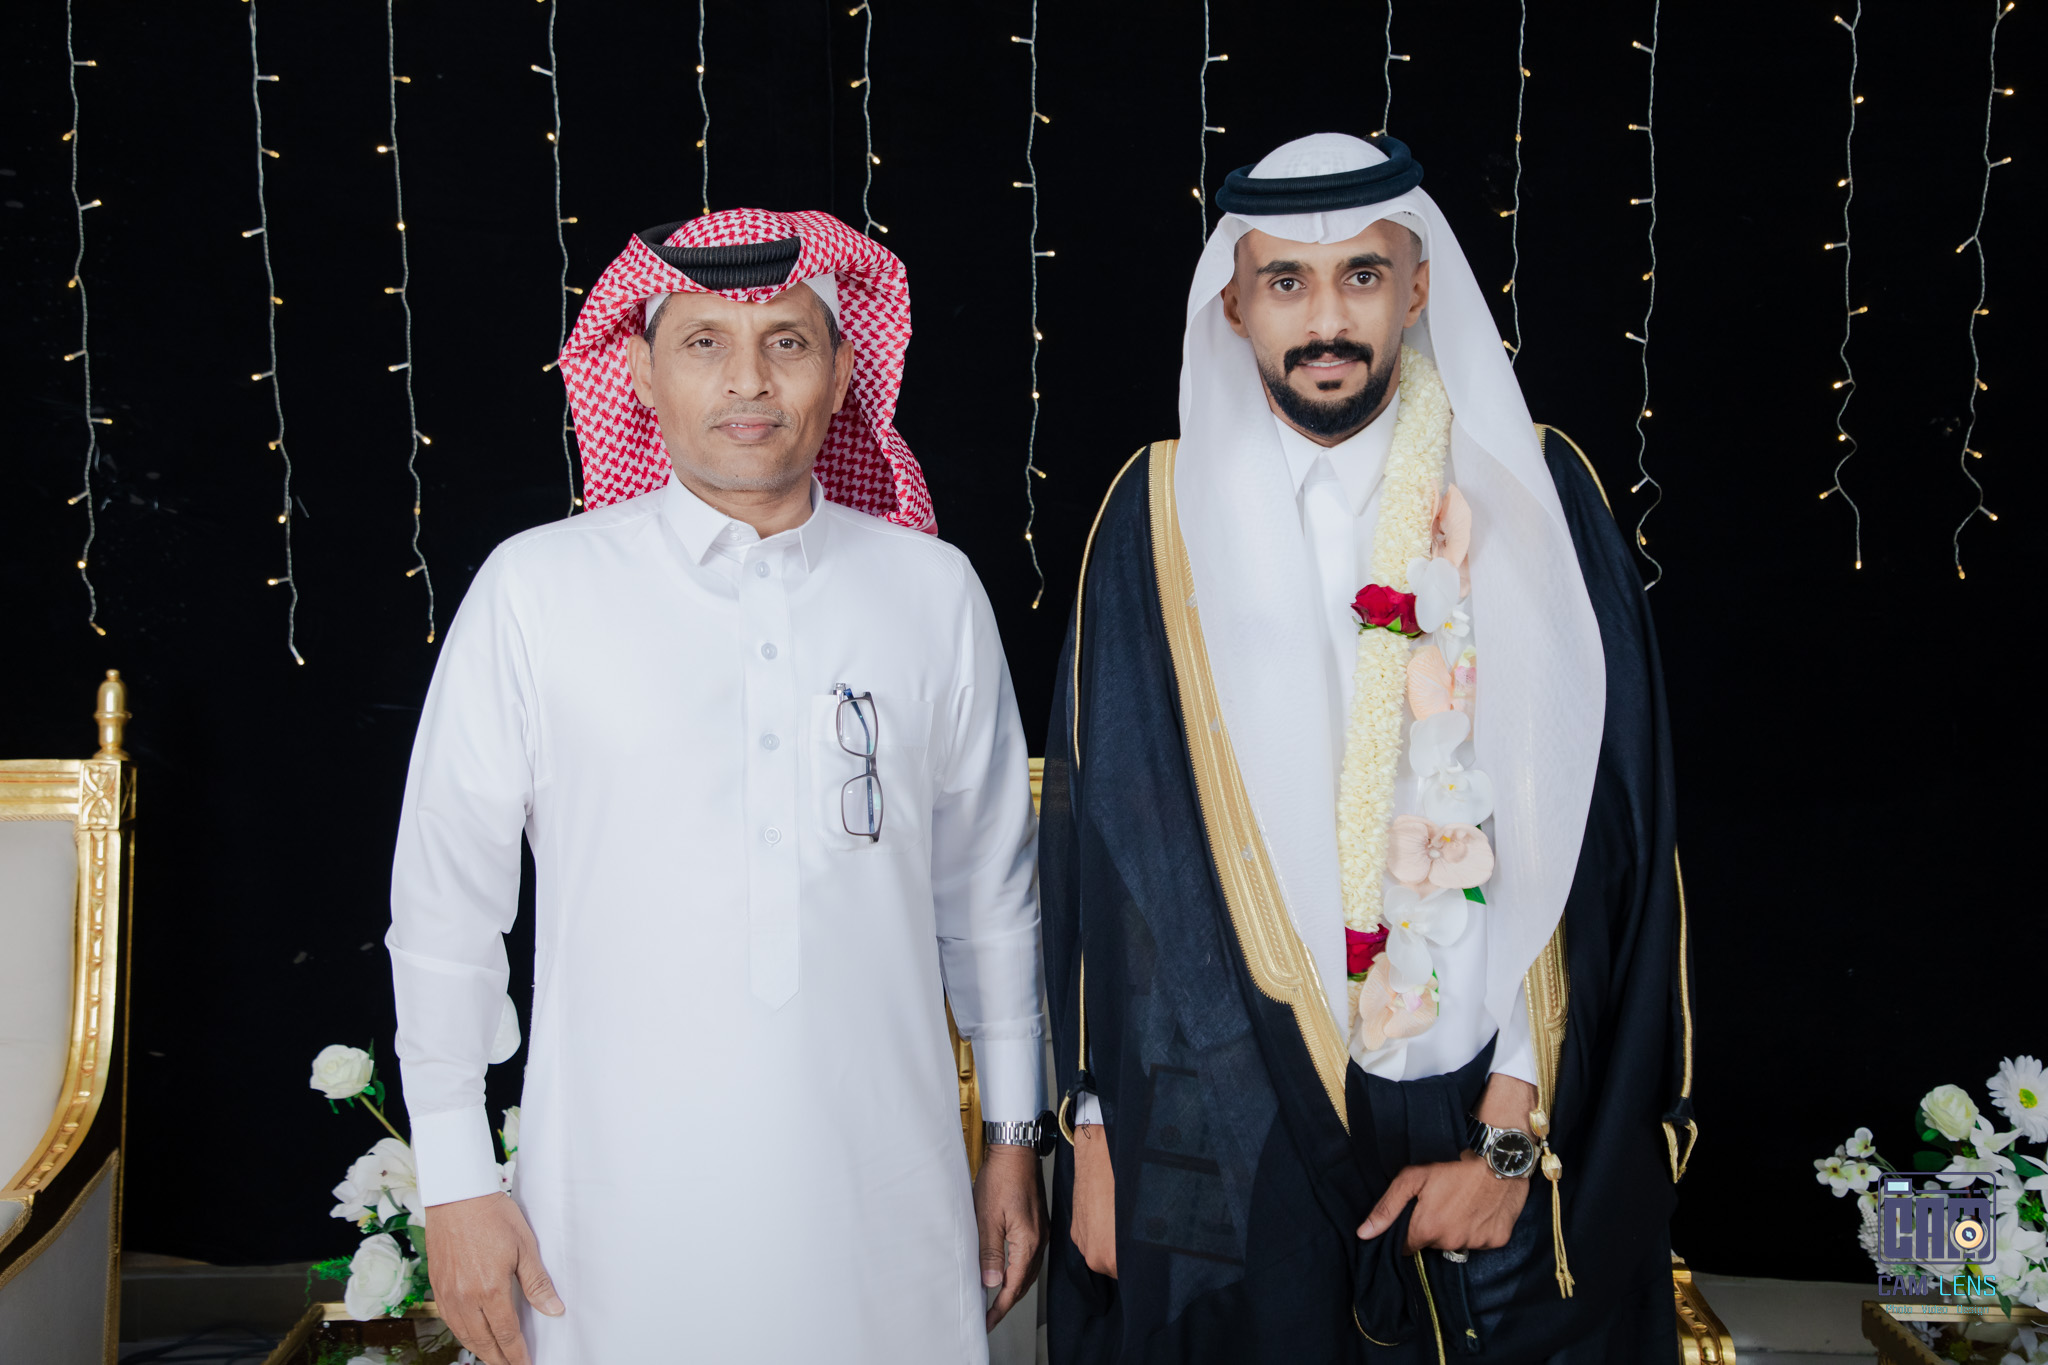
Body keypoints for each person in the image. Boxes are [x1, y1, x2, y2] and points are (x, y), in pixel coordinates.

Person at [1039, 134, 1694, 1361]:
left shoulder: (1532, 493)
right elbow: (1105, 861)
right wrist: (1094, 1134)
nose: (1325, 320)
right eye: (1285, 281)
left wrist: (1512, 1135)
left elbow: (1606, 840)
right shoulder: (1154, 518)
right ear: (1233, 306)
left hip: (1484, 1107)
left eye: (1361, 276)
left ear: (1416, 287)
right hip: (1232, 1118)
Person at [386, 208, 1048, 1365]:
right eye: (703, 343)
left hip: (881, 1200)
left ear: (842, 370)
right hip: (613, 1211)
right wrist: (454, 1179)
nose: (749, 381)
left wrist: (1012, 1137)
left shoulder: (931, 591)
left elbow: (991, 897)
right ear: (639, 374)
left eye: (787, 342)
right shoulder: (536, 593)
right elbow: (446, 909)